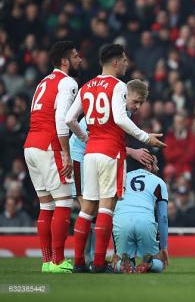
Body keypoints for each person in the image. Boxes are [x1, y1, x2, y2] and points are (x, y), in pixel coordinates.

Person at [66, 44, 166, 273]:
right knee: (106, 209)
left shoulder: (87, 86)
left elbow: (70, 119)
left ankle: (80, 263)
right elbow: (120, 119)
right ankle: (99, 263)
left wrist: (87, 137)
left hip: (90, 154)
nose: (127, 64)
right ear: (115, 62)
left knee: (85, 210)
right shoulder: (119, 87)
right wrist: (145, 137)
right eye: (124, 60)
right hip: (111, 152)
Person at [23, 41, 81, 273]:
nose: (79, 60)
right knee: (64, 203)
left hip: (31, 146)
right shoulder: (67, 82)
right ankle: (57, 261)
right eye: (76, 56)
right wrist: (66, 153)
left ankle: (47, 261)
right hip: (50, 146)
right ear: (65, 61)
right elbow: (62, 120)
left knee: (46, 205)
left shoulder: (44, 81)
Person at [113, 156, 169, 273]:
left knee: (120, 263)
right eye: (156, 164)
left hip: (121, 222)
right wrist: (163, 247)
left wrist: (116, 251)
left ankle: (123, 264)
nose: (157, 168)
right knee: (158, 264)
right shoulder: (159, 182)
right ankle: (149, 262)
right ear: (148, 165)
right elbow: (163, 218)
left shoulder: (121, 178)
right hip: (145, 222)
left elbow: (112, 211)